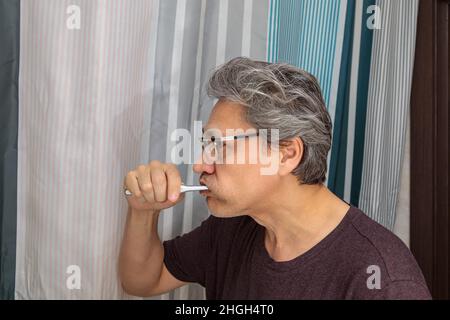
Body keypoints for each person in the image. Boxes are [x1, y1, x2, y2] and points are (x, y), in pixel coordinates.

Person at [119, 57, 431, 299]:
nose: (201, 164)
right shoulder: (233, 227)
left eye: (219, 146)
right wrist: (143, 212)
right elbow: (143, 279)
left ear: (285, 154)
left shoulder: (382, 278)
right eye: (205, 144)